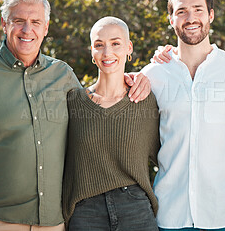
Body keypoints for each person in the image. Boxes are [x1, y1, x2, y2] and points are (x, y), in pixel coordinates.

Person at [0, 0, 149, 231]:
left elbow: (96, 112)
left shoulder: (62, 74)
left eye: (36, 22)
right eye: (19, 21)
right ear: (4, 25)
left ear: (46, 27)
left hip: (52, 224)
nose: (28, 30)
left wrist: (135, 79)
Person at [141, 0, 225, 230]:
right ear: (171, 20)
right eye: (181, 11)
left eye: (198, 9)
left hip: (224, 211)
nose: (191, 18)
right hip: (170, 212)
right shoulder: (153, 74)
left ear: (211, 15)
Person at [62, 16, 160, 230]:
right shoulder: (73, 102)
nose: (107, 53)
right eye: (99, 45)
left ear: (128, 47)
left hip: (135, 209)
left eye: (115, 43)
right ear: (92, 52)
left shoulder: (145, 100)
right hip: (86, 212)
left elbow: (168, 154)